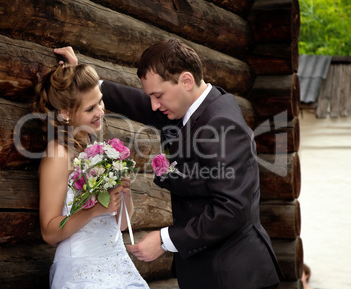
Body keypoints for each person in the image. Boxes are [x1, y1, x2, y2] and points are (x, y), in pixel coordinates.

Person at [55, 39, 282, 289]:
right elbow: (141, 105)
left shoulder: (220, 125)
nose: (154, 105)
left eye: (158, 95)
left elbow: (232, 210)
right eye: (151, 96)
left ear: (185, 81)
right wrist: (87, 85)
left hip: (234, 275)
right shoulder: (198, 106)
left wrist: (165, 239)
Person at [31, 64, 149, 289]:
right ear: (65, 112)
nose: (101, 111)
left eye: (101, 101)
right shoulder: (58, 155)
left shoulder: (95, 148)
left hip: (117, 263)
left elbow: (121, 225)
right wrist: (94, 210)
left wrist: (124, 195)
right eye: (90, 108)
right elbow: (48, 231)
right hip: (82, 270)